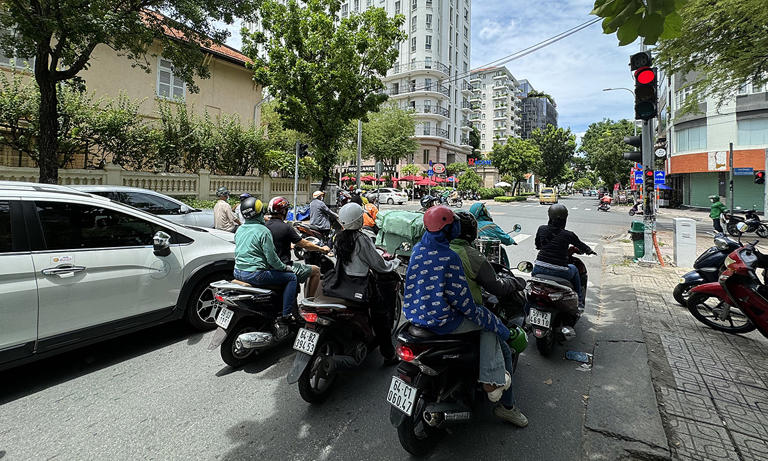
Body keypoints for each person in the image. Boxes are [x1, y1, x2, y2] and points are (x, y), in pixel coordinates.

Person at [403, 206, 528, 426]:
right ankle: (492, 382)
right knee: (489, 324)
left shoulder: (418, 249)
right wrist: (502, 329)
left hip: (414, 316)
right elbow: (465, 304)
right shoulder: (450, 256)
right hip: (443, 321)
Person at [449, 210, 528, 425]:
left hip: (435, 314)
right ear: (471, 233)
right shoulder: (471, 255)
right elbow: (496, 287)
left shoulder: (436, 250)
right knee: (501, 343)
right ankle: (507, 406)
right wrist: (517, 283)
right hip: (466, 314)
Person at [332, 203, 400, 364]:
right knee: (381, 318)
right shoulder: (361, 239)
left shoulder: (337, 238)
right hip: (361, 285)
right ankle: (389, 355)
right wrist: (394, 263)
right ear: (358, 220)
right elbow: (379, 265)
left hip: (340, 283)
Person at [234, 197, 297, 321]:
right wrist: (285, 267)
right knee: (292, 278)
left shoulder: (239, 229)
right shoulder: (263, 231)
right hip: (255, 274)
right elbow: (272, 259)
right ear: (260, 212)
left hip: (237, 271)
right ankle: (286, 315)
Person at [265, 196, 330, 298]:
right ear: (283, 211)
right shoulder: (286, 227)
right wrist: (321, 249)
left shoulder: (264, 226)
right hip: (284, 266)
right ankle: (308, 302)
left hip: (267, 267)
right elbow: (304, 244)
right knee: (316, 271)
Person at [532, 204, 595, 309]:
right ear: (565, 218)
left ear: (549, 216)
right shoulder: (569, 235)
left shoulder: (541, 229)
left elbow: (538, 245)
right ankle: (579, 303)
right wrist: (589, 251)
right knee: (574, 269)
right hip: (559, 272)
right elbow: (582, 246)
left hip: (538, 269)